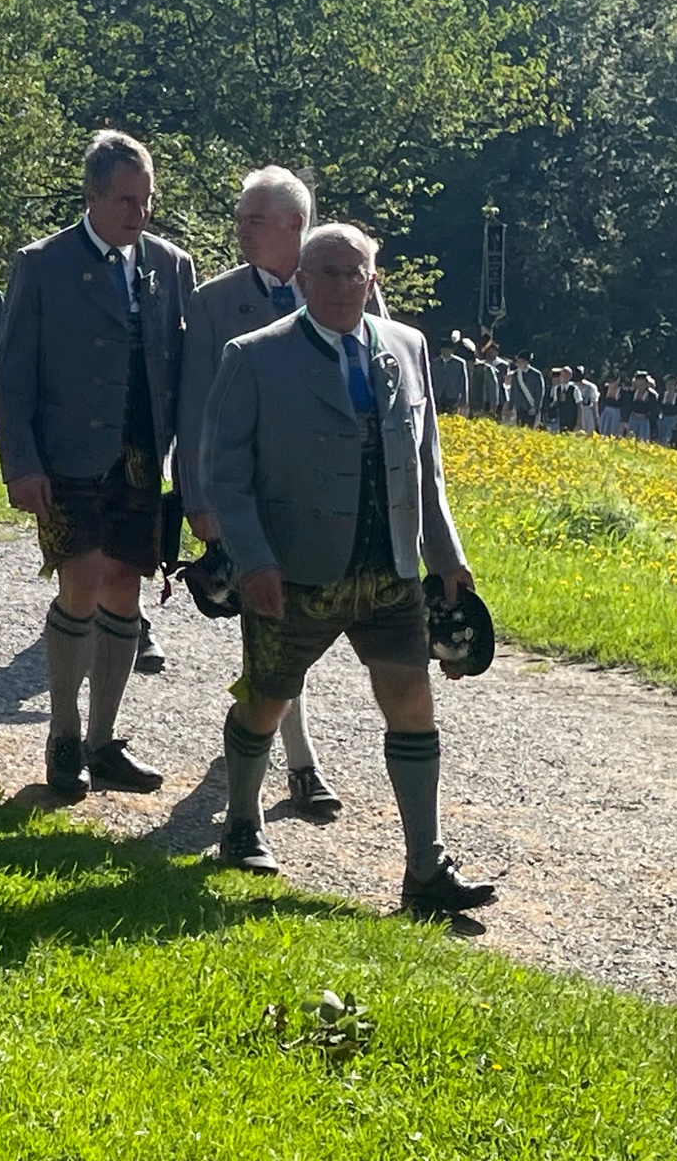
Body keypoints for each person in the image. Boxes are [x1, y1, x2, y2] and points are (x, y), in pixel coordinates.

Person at [202, 222, 494, 914]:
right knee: (266, 699)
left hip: (388, 567)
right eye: (325, 273)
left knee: (412, 700)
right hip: (293, 571)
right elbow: (225, 476)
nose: (339, 285)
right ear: (301, 281)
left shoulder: (407, 347)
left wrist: (446, 557)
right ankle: (242, 824)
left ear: (372, 280)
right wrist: (254, 561)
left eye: (352, 272)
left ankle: (426, 868)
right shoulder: (253, 356)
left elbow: (426, 468)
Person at [0, 130, 198, 799]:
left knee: (123, 588)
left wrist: (190, 468)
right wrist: (21, 464)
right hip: (65, 454)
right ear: (92, 195)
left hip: (140, 454)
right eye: (126, 200)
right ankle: (63, 734)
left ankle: (104, 741)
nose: (140, 213)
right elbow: (12, 374)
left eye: (147, 199)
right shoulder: (43, 264)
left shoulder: (171, 265)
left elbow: (183, 372)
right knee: (79, 579)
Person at [178, 165, 341, 817]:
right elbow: (196, 411)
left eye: (254, 219)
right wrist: (199, 500)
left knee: (310, 628)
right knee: (275, 628)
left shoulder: (344, 284)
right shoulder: (213, 304)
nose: (240, 229)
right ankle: (299, 763)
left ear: (294, 225)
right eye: (240, 217)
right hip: (250, 498)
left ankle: (260, 736)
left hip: (332, 499)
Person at [430, 336, 470, 416]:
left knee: (452, 416)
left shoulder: (459, 363)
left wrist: (464, 400)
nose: (446, 351)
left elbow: (463, 382)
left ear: (452, 350)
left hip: (453, 396)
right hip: (438, 396)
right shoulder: (435, 362)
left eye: (448, 349)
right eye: (444, 349)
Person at [507, 351, 543, 427]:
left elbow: (539, 392)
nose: (518, 364)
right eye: (518, 362)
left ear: (526, 362)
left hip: (530, 407)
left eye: (521, 362)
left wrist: (536, 407)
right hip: (519, 407)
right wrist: (510, 406)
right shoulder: (516, 374)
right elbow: (513, 391)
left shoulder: (536, 374)